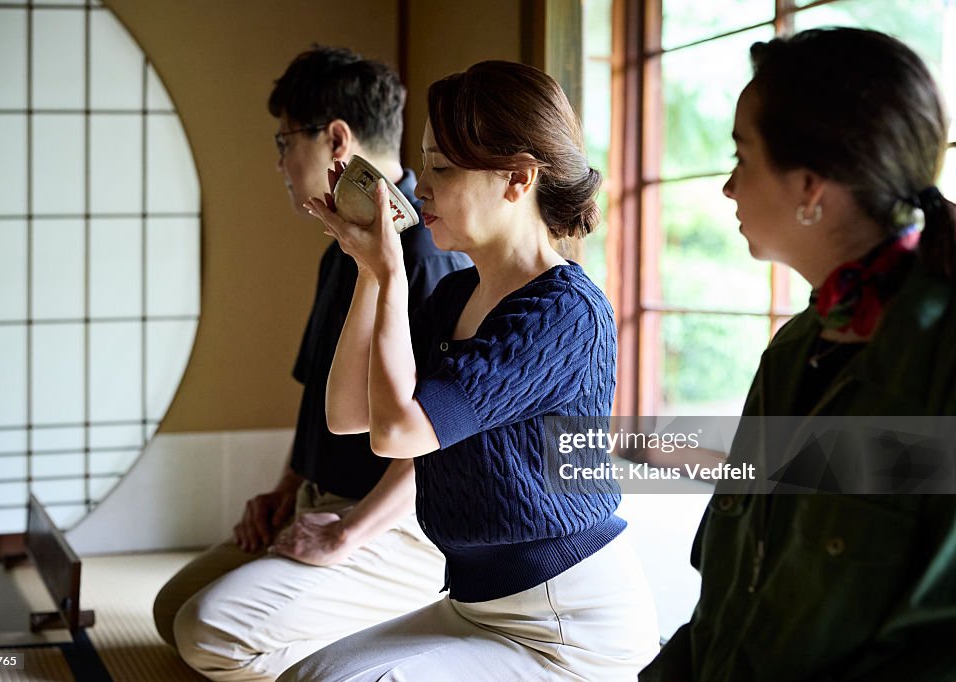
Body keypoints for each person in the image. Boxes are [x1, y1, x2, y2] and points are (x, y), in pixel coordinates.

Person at [280, 60, 659, 681]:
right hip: (474, 602)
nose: (421, 187)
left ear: (518, 178)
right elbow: (347, 415)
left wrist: (391, 272)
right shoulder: (456, 296)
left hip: (566, 622)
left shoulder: (564, 311)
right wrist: (368, 269)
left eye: (442, 167)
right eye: (425, 165)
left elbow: (397, 434)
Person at [641, 28, 956, 681]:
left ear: (811, 186)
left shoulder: (940, 362)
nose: (729, 187)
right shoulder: (794, 349)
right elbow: (726, 604)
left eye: (742, 157)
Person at [151, 46, 470, 681]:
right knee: (171, 610)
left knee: (206, 632)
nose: (279, 162)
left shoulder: (429, 256)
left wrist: (348, 533)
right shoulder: (343, 247)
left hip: (392, 525)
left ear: (336, 139)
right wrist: (284, 491)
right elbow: (322, 408)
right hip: (322, 504)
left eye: (285, 141)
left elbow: (439, 442)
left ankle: (385, 641)